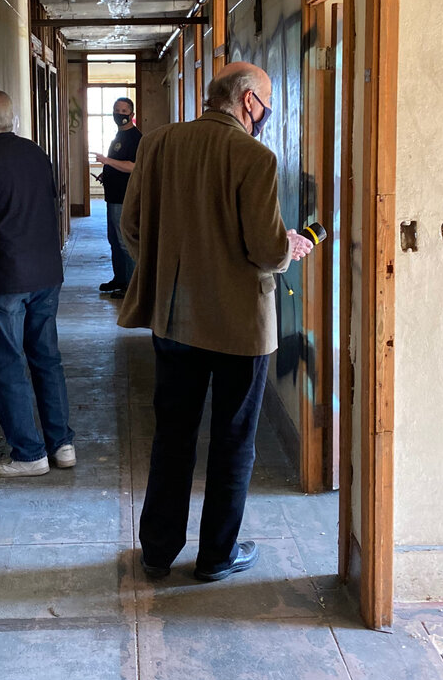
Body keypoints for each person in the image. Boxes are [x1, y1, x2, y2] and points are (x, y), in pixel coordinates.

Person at [118, 62, 314, 580]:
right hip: (239, 329)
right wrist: (289, 246)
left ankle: (158, 551)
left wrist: (167, 269)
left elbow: (131, 227)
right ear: (248, 102)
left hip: (174, 318)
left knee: (173, 434)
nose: (266, 113)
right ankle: (216, 557)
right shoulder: (254, 157)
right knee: (233, 440)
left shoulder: (157, 144)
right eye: (266, 104)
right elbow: (267, 250)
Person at [0, 89, 75, 477]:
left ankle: (28, 453)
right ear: (13, 121)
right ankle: (62, 446)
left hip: (5, 275)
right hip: (46, 272)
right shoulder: (37, 154)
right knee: (46, 357)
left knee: (7, 362)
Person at [93, 96, 142, 298]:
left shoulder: (135, 138)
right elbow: (117, 162)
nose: (119, 114)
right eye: (116, 110)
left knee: (124, 241)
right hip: (112, 196)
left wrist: (106, 160)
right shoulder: (118, 136)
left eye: (123, 111)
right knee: (113, 239)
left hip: (125, 197)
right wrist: (107, 171)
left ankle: (131, 286)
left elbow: (133, 166)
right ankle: (119, 279)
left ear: (132, 115)